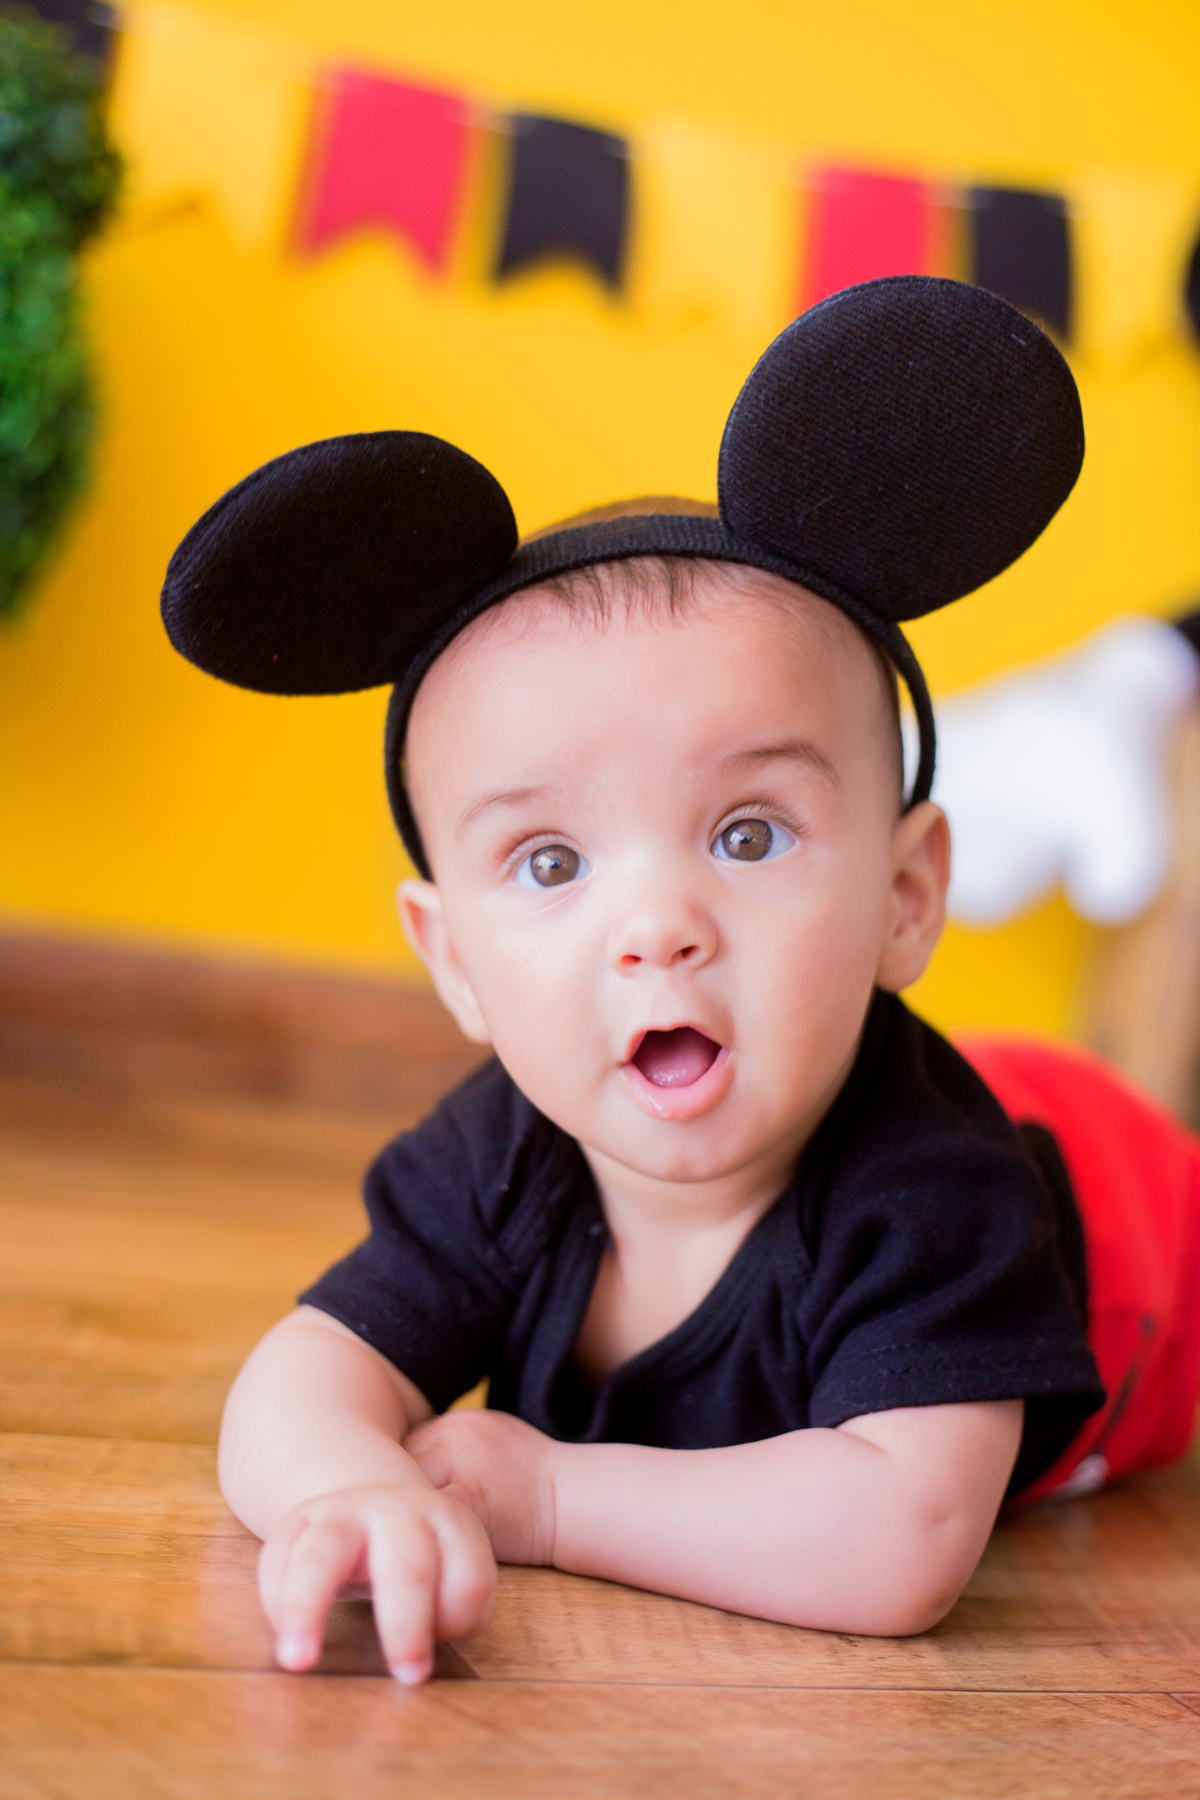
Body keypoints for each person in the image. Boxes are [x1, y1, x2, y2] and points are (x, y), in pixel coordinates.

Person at [161, 276, 1200, 1686]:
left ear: (905, 901)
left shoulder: (934, 1193)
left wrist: (544, 1496)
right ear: (452, 959)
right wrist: (342, 1488)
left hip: (1143, 1231)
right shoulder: (499, 1158)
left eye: (748, 834)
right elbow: (305, 1375)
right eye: (548, 863)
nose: (657, 928)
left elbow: (900, 1537)